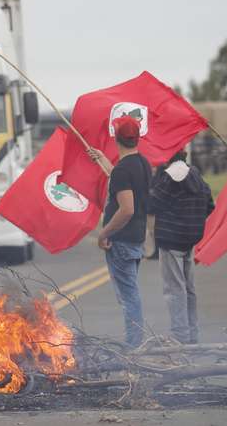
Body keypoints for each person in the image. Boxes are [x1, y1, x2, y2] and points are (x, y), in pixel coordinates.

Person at [89, 115, 152, 347]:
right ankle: (136, 340)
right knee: (130, 293)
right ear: (137, 138)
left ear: (116, 138)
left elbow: (126, 209)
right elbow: (124, 178)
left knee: (128, 297)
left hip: (122, 241)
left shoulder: (123, 171)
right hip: (136, 237)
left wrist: (104, 233)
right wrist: (104, 160)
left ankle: (134, 345)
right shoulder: (142, 164)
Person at [147, 150, 214, 344]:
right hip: (190, 240)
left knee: (174, 290)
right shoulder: (196, 175)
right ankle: (192, 334)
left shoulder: (168, 179)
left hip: (171, 239)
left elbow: (151, 205)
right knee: (189, 288)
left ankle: (180, 336)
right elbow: (210, 205)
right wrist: (192, 219)